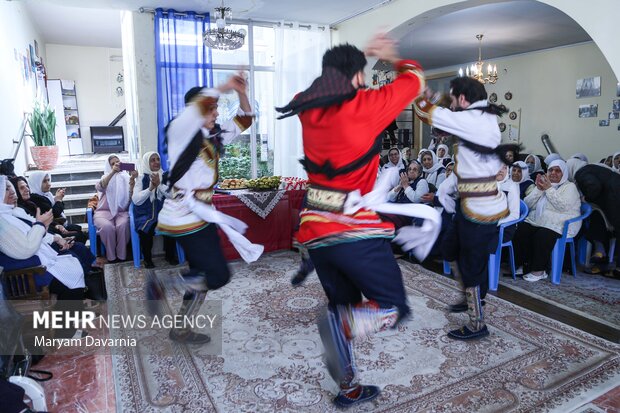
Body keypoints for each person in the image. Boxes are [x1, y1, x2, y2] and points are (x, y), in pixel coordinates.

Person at [276, 34, 439, 408]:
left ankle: (348, 388)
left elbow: (319, 89)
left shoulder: (309, 108)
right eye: (362, 75)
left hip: (314, 230)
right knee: (391, 307)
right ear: (356, 77)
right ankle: (341, 329)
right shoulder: (365, 105)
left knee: (342, 306)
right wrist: (391, 55)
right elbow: (415, 80)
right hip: (353, 228)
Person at [156, 73, 262, 344]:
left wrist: (241, 92)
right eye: (211, 108)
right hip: (184, 213)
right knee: (217, 274)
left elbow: (245, 119)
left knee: (201, 275)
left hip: (200, 212)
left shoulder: (212, 136)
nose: (215, 112)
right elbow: (197, 109)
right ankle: (166, 284)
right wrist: (223, 86)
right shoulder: (179, 132)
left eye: (215, 108)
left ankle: (181, 328)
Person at [415, 75, 513, 340]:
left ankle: (477, 323)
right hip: (469, 201)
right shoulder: (481, 115)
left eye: (453, 96)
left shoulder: (471, 120)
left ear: (462, 98)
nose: (453, 102)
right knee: (452, 248)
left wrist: (418, 91)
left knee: (472, 264)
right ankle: (468, 297)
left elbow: (428, 113)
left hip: (480, 207)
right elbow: (448, 112)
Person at [514, 160, 581, 281]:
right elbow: (527, 204)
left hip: (562, 224)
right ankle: (525, 265)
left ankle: (539, 270)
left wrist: (549, 189)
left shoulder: (570, 187)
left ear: (564, 173)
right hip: (541, 221)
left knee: (543, 235)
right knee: (522, 230)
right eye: (551, 170)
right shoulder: (544, 184)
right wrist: (539, 189)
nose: (553, 173)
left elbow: (563, 206)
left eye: (558, 170)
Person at [566, 157, 620, 277]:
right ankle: (609, 264)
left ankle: (615, 268)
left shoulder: (581, 172)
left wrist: (587, 198)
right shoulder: (592, 168)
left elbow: (594, 186)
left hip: (615, 199)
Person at [131, 151, 177, 268]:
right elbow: (136, 199)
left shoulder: (166, 176)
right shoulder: (141, 178)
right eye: (153, 160)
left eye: (158, 159)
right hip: (145, 212)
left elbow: (173, 195)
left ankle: (170, 255)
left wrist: (159, 184)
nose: (156, 162)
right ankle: (147, 259)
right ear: (147, 163)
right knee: (146, 229)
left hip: (163, 211)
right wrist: (151, 188)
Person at [94, 155, 136, 262]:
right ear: (109, 166)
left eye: (118, 162)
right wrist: (112, 172)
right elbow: (100, 186)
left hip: (121, 212)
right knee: (107, 227)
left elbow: (130, 199)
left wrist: (132, 185)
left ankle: (121, 255)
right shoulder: (105, 177)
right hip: (104, 212)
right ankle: (111, 256)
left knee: (123, 225)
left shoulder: (125, 177)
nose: (116, 165)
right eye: (113, 164)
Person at [27, 171, 87, 243]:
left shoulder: (47, 194)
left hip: (57, 225)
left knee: (78, 229)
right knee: (80, 235)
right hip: (51, 229)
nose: (48, 184)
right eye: (44, 181)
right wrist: (58, 200)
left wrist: (56, 199)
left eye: (48, 180)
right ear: (36, 183)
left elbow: (55, 210)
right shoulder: (35, 198)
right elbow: (54, 214)